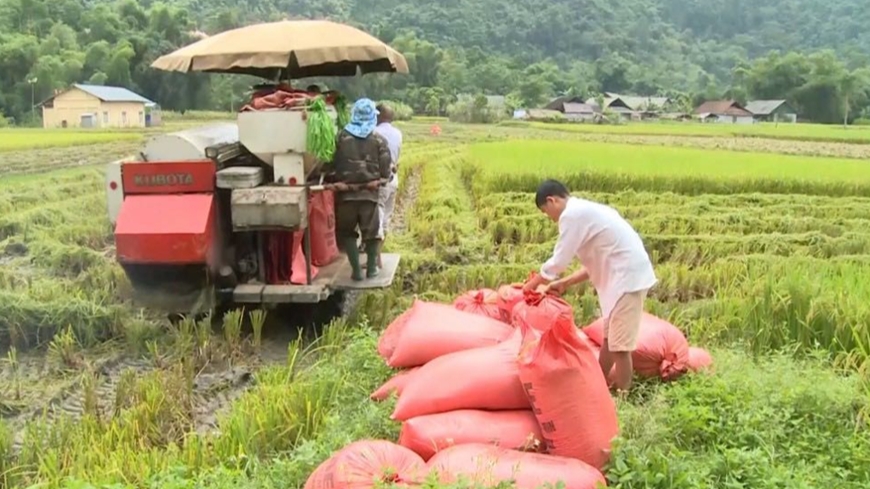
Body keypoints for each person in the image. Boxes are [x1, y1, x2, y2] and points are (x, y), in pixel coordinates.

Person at [522, 179, 657, 393]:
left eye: (547, 213)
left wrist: (531, 285)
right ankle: (599, 383)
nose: (551, 219)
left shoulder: (571, 215)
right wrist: (565, 283)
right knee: (609, 340)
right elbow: (594, 264)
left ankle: (623, 398)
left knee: (620, 347)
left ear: (552, 200)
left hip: (627, 280)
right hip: (621, 279)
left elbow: (559, 261)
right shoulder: (586, 211)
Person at [328, 98, 392, 281]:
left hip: (345, 195)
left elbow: (331, 164)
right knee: (371, 233)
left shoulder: (341, 137)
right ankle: (372, 269)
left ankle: (356, 271)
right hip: (369, 195)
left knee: (347, 232)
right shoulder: (379, 139)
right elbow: (385, 169)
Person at [371, 103, 403, 267]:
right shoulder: (398, 133)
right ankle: (378, 255)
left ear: (378, 116)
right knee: (386, 219)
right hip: (394, 179)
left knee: (377, 217)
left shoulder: (375, 133)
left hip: (381, 180)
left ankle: (376, 259)